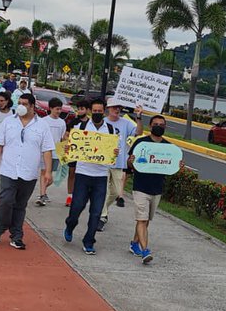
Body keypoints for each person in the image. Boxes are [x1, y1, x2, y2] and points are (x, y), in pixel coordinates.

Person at [0, 92, 54, 249]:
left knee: (20, 205)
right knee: (5, 201)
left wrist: (48, 172)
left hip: (29, 172)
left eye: (25, 104)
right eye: (20, 103)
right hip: (8, 169)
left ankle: (16, 236)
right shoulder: (8, 122)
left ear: (32, 106)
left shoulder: (42, 125)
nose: (21, 107)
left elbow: (47, 150)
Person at [63, 98, 116, 255]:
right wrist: (68, 145)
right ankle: (70, 224)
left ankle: (89, 241)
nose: (98, 114)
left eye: (100, 111)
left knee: (96, 211)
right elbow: (70, 145)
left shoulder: (111, 131)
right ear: (90, 111)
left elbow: (113, 155)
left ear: (104, 112)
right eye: (95, 111)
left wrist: (114, 153)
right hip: (83, 174)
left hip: (100, 176)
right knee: (77, 206)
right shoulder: (81, 127)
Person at [127, 114, 171, 265]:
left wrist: (178, 165)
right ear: (151, 126)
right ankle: (145, 250)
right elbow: (130, 164)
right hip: (140, 187)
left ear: (164, 127)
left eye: (162, 124)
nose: (159, 126)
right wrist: (131, 162)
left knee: (145, 221)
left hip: (157, 188)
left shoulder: (168, 146)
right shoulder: (140, 143)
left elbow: (171, 167)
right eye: (156, 124)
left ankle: (134, 243)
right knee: (142, 218)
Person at [98, 100, 144, 229]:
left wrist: (139, 117)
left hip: (119, 163)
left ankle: (103, 209)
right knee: (104, 190)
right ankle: (102, 216)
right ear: (108, 108)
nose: (117, 110)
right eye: (114, 107)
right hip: (104, 162)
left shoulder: (125, 123)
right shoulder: (102, 122)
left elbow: (138, 132)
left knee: (116, 192)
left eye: (119, 107)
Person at [36, 96, 67, 206]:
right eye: (56, 109)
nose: (59, 111)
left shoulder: (62, 123)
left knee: (51, 177)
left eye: (60, 109)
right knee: (44, 172)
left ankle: (43, 192)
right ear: (50, 108)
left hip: (56, 153)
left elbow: (63, 138)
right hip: (45, 152)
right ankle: (42, 194)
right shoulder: (43, 121)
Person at [64, 97, 89, 207]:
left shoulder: (91, 123)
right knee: (72, 173)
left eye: (82, 109)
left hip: (86, 153)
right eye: (78, 109)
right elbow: (66, 134)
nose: (80, 111)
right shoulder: (73, 122)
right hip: (74, 152)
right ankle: (70, 196)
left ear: (88, 110)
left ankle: (80, 196)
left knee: (83, 175)